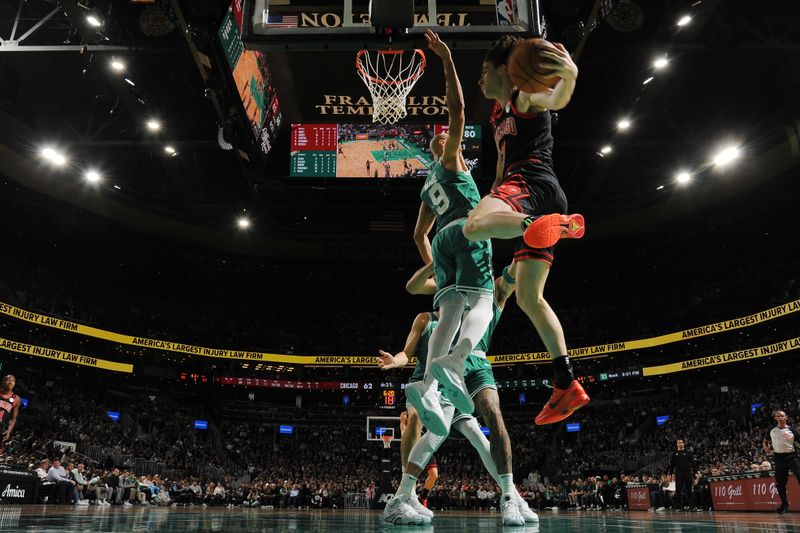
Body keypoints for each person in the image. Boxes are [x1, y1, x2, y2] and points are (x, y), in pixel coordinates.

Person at [463, 35, 589, 426]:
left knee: (471, 228)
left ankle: (535, 227)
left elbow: (557, 99)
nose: (481, 82)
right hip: (542, 197)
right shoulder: (498, 116)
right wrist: (495, 195)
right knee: (529, 298)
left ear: (508, 69)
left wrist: (568, 75)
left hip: (530, 188)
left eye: (485, 73)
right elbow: (501, 167)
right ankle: (566, 379)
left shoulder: (524, 99)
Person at [407, 29, 495, 433]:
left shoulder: (427, 185)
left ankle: (426, 386)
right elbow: (458, 107)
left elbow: (417, 234)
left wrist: (434, 266)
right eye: (447, 141)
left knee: (452, 309)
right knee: (484, 303)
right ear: (443, 149)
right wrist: (444, 57)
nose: (452, 140)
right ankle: (457, 362)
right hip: (465, 228)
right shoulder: (452, 161)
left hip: (441, 241)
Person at [763, 410, 800, 514]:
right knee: (780, 484)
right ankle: (784, 504)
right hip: (779, 458)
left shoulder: (792, 430)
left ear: (786, 418)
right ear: (775, 418)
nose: (781, 417)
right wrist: (766, 447)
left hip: (792, 457)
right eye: (778, 416)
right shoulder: (772, 430)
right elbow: (765, 441)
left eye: (782, 416)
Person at [669, 438, 695, 510]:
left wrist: (696, 471)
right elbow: (672, 465)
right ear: (677, 444)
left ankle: (691, 506)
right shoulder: (674, 453)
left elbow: (693, 463)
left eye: (681, 442)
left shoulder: (688, 452)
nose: (680, 444)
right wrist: (670, 474)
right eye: (678, 443)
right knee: (678, 490)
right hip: (678, 474)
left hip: (687, 473)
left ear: (684, 444)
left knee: (689, 490)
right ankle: (680, 507)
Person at [0, 375, 21, 451]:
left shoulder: (16, 399)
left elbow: (13, 418)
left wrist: (9, 430)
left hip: (1, 428)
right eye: (8, 380)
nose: (11, 382)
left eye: (13, 381)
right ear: (3, 382)